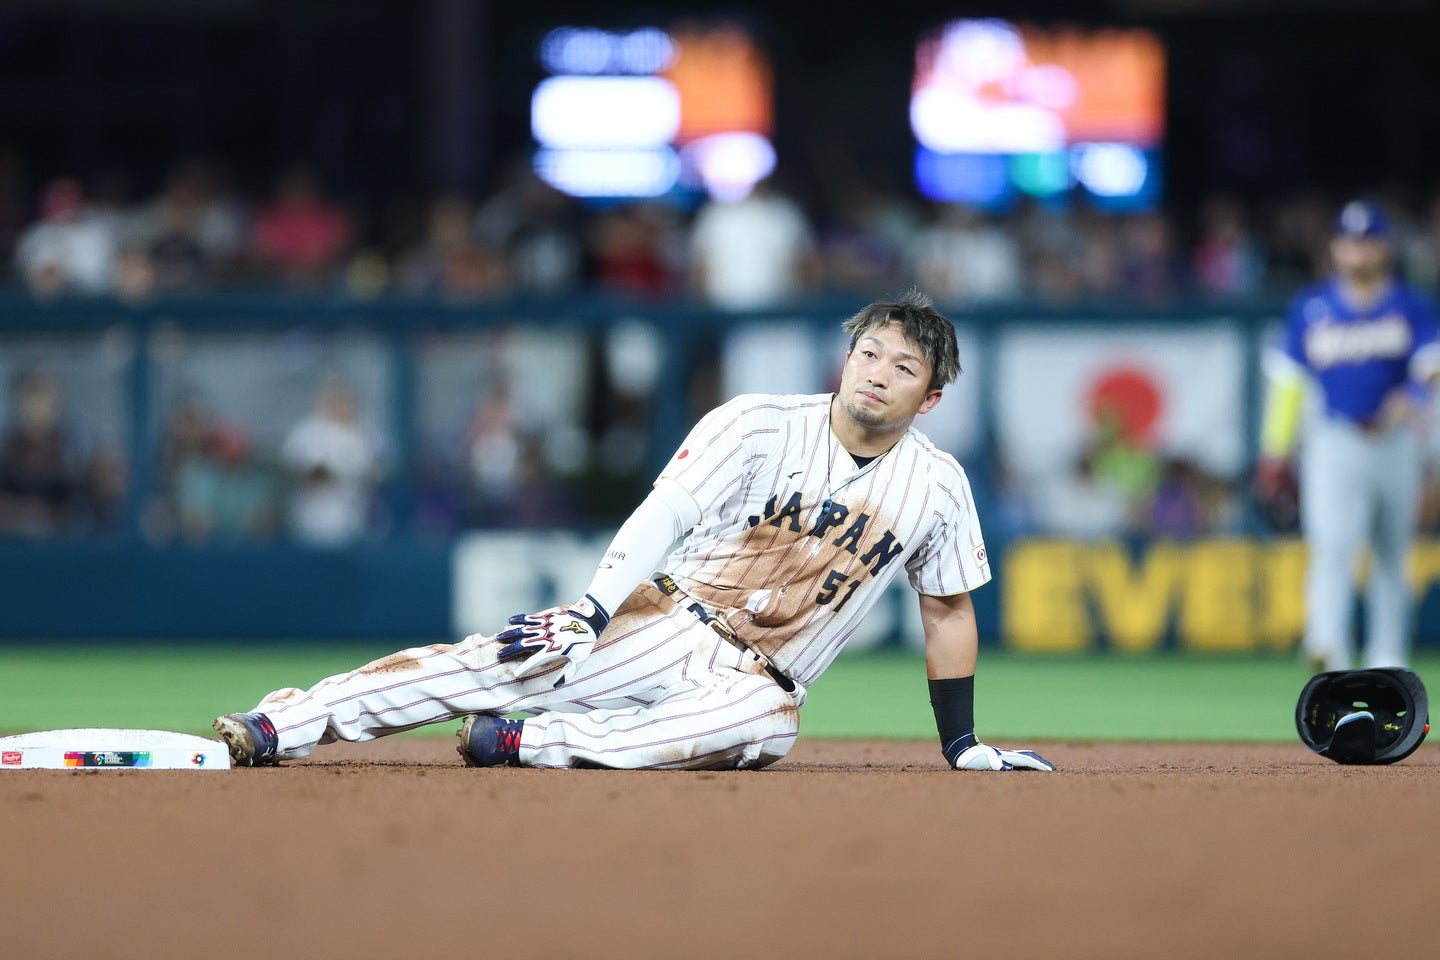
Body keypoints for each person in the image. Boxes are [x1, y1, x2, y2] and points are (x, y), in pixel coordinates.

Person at [213, 293, 1054, 773]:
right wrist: (590, 610)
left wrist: (962, 742)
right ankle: (284, 725)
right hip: (669, 617)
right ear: (847, 357)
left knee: (760, 729)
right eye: (870, 353)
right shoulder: (759, 423)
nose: (879, 373)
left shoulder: (938, 485)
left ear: (930, 398)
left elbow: (948, 611)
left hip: (765, 680)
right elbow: (666, 513)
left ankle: (523, 743)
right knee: (490, 662)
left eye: (904, 367)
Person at [1255, 200, 1440, 671]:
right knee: (1332, 544)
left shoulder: (1409, 304)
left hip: (1396, 442)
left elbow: (1431, 363)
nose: (1358, 252)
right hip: (1334, 439)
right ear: (1336, 248)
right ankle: (1327, 649)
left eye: (1367, 242)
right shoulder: (1313, 307)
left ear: (1384, 248)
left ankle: (1388, 658)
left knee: (1391, 551)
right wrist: (1275, 450)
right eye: (1350, 242)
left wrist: (1413, 395)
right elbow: (1288, 383)